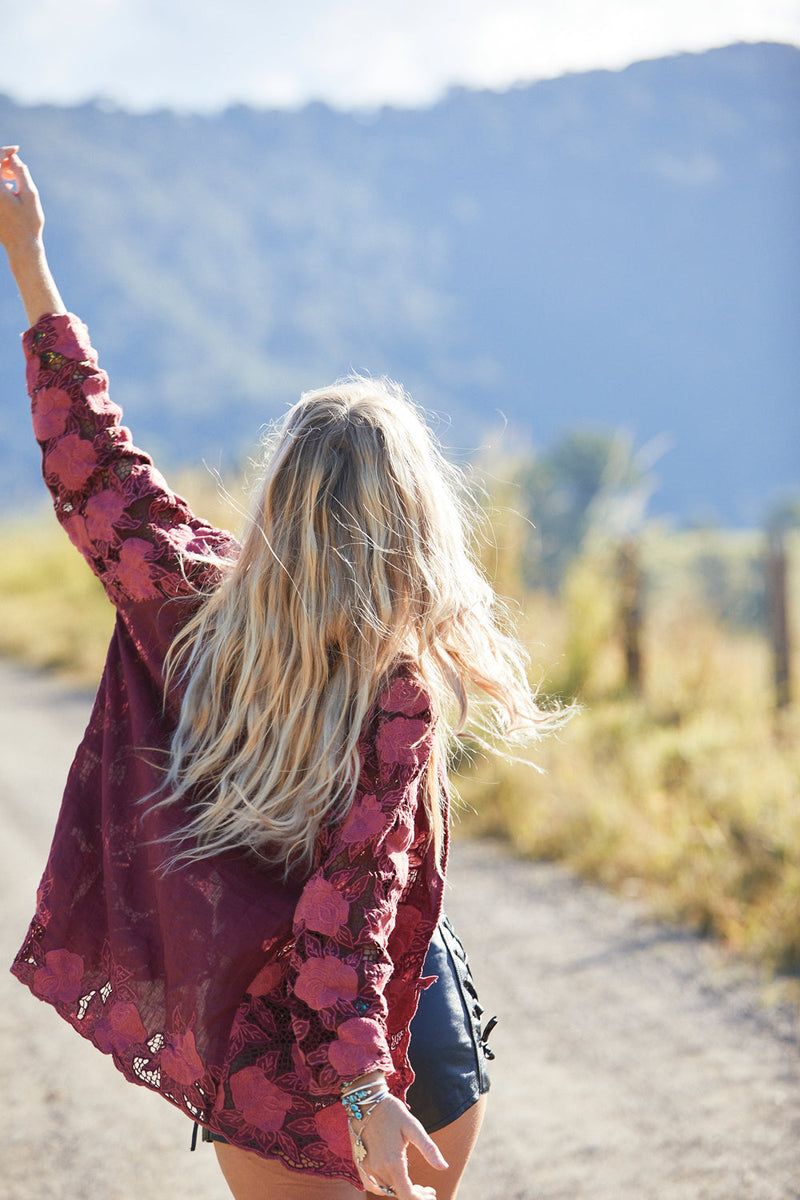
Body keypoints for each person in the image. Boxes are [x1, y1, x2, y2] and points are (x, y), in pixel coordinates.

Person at [1, 148, 559, 1200]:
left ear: (281, 500)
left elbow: (91, 461)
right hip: (387, 1039)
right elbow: (350, 916)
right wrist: (365, 1093)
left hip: (279, 1048)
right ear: (412, 527)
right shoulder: (392, 691)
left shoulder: (185, 597)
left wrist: (30, 263)